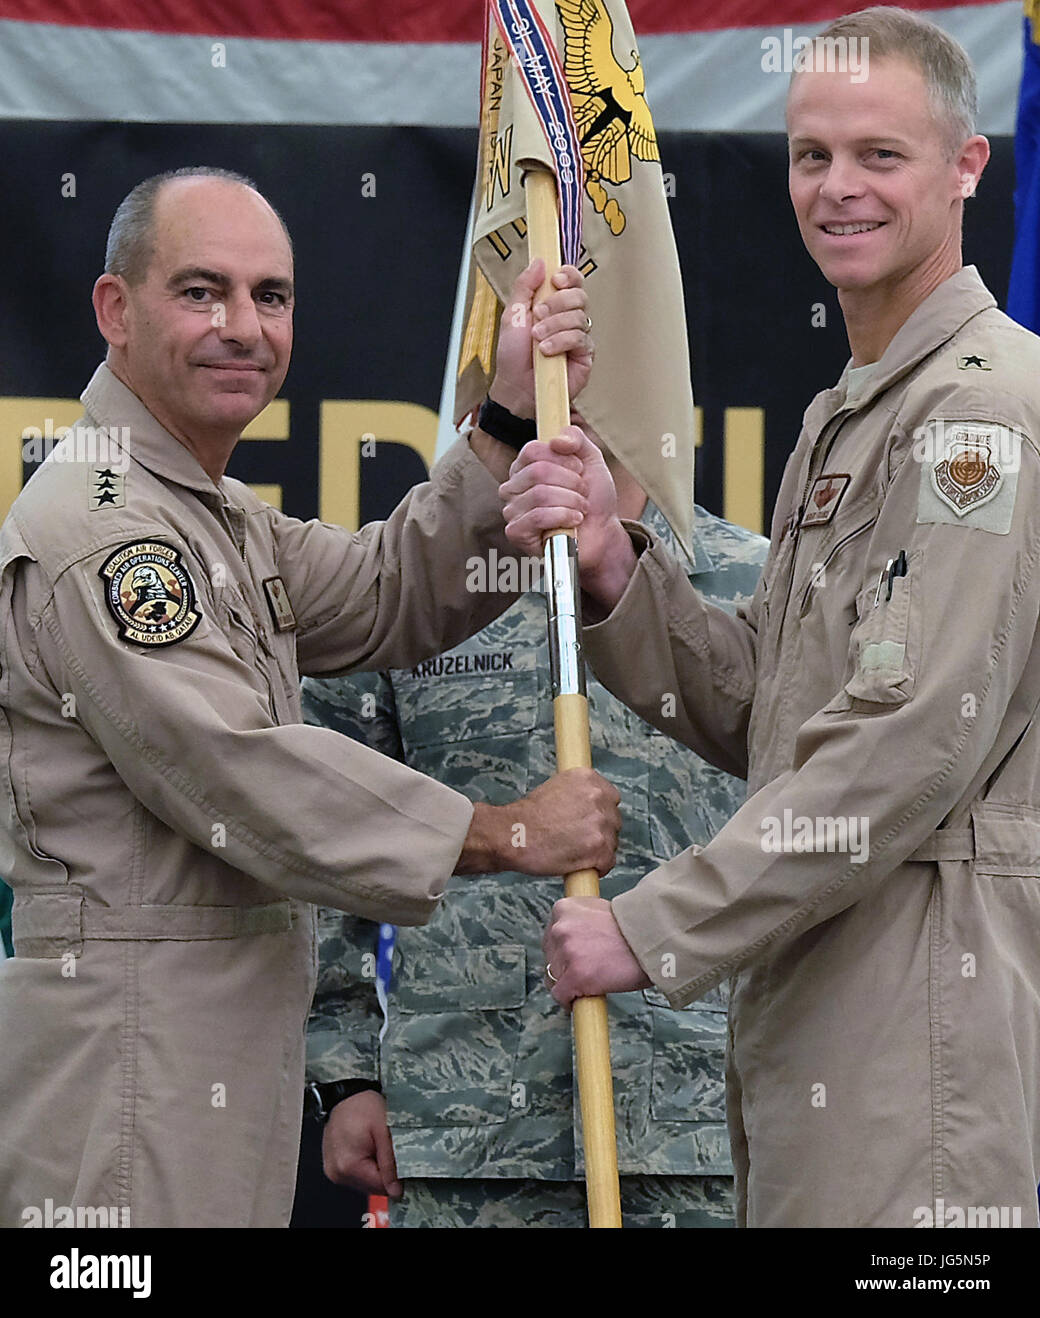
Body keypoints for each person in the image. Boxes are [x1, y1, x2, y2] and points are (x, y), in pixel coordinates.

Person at [0, 166, 618, 1228]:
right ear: (115, 309)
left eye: (269, 296)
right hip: (132, 1062)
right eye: (201, 291)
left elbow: (387, 594)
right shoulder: (107, 525)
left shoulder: (211, 511)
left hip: (195, 1052)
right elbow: (243, 771)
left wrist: (509, 413)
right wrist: (507, 830)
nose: (242, 326)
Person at [504, 7, 1040, 1229]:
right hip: (821, 1011)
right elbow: (774, 705)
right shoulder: (847, 415)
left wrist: (652, 925)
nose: (835, 189)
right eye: (810, 156)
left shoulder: (979, 414)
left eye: (877, 155)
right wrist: (609, 567)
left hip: (916, 1030)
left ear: (966, 166)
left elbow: (902, 743)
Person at [301, 439, 767, 1228]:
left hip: (697, 1127)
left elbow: (804, 833)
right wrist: (345, 1074)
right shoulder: (424, 589)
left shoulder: (746, 581)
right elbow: (327, 826)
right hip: (468, 1126)